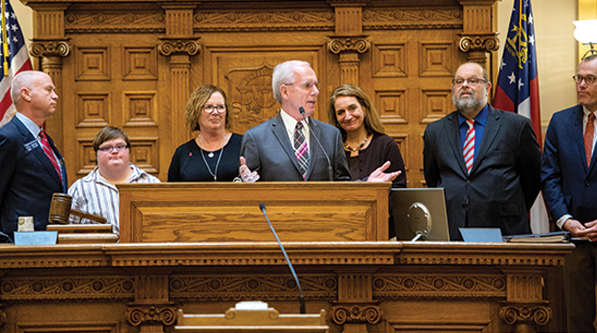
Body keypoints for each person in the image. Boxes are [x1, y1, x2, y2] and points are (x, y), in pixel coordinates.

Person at [423, 62, 541, 241]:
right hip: (453, 232)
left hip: (504, 230)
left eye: (472, 81)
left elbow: (533, 177)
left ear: (487, 87)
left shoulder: (516, 126)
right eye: (459, 81)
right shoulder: (435, 131)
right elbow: (433, 179)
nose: (464, 85)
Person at [240, 60, 400, 183]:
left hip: (324, 224)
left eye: (316, 85)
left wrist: (366, 184)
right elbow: (251, 192)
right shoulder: (256, 138)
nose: (316, 92)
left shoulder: (331, 135)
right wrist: (246, 185)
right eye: (307, 85)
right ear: (285, 91)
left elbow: (341, 184)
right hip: (278, 224)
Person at [541, 54, 597, 333]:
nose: (582, 85)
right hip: (573, 237)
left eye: (590, 79)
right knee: (576, 318)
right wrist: (564, 218)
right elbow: (549, 175)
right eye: (579, 78)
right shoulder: (560, 122)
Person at [328, 84, 407, 238]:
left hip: (380, 232)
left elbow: (398, 194)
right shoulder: (330, 149)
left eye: (352, 108)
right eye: (340, 112)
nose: (348, 116)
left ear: (364, 108)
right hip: (339, 231)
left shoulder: (386, 145)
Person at [0, 71, 67, 243]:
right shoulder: (9, 137)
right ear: (26, 94)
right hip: (18, 244)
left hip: (48, 238)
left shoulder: (44, 139)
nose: (55, 96)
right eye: (48, 90)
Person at [68, 126, 160, 233]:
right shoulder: (79, 189)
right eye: (107, 148)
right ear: (96, 154)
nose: (115, 151)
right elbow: (67, 234)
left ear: (128, 150)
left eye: (120, 146)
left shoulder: (151, 184)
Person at [168, 84, 242, 182]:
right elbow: (172, 194)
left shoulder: (244, 144)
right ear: (196, 111)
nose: (215, 112)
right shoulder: (182, 153)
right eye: (208, 107)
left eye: (220, 107)